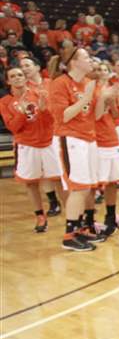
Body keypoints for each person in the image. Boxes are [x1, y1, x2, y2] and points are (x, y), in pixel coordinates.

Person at [48, 47, 107, 251]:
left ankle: (81, 228)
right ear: (74, 62)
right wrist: (85, 98)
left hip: (88, 138)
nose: (91, 60)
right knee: (78, 188)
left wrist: (105, 98)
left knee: (87, 187)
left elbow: (95, 116)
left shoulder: (87, 83)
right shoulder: (60, 83)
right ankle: (69, 235)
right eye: (86, 57)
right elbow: (62, 116)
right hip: (71, 139)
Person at [0, 65, 63, 233]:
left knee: (58, 180)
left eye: (20, 74)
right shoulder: (5, 102)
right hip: (27, 146)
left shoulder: (39, 94)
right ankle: (40, 215)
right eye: (13, 76)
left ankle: (72, 218)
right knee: (31, 183)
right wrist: (21, 113)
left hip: (49, 143)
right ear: (8, 81)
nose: (17, 78)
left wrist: (44, 110)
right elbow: (13, 128)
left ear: (25, 77)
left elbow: (52, 120)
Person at [92, 61, 119, 236]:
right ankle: (89, 221)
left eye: (104, 69)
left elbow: (116, 114)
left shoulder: (109, 88)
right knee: (93, 185)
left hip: (111, 135)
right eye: (98, 69)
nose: (101, 72)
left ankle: (111, 217)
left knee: (112, 181)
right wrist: (104, 99)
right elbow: (96, 115)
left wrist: (115, 99)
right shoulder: (90, 90)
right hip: (96, 139)